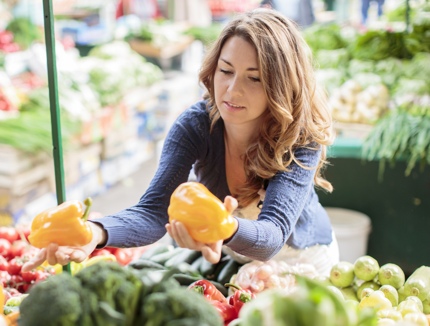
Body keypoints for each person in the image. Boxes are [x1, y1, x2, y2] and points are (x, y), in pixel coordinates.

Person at [22, 8, 339, 276]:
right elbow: (153, 213)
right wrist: (94, 232)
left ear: (281, 86)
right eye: (225, 71)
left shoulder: (300, 138)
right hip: (236, 258)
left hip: (302, 261)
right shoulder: (197, 125)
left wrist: (221, 227)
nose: (231, 90)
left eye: (253, 78)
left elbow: (272, 237)